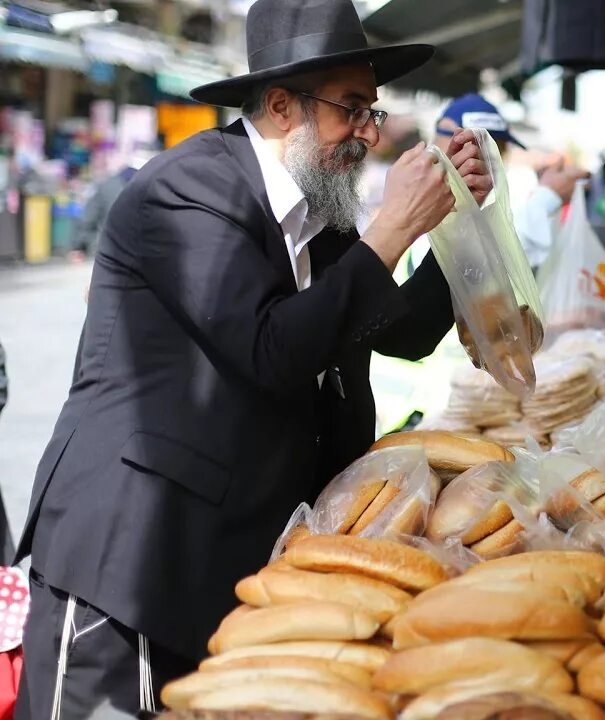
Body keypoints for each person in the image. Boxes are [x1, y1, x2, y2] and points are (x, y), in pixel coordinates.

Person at [11, 1, 494, 717]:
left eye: (372, 110)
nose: (368, 133)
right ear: (281, 106)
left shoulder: (319, 213)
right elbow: (271, 351)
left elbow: (399, 332)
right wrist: (390, 228)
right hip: (134, 563)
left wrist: (448, 223)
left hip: (228, 563)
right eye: (351, 110)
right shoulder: (190, 190)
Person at [432, 93, 587, 270]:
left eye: (499, 153)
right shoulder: (426, 208)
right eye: (481, 154)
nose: (491, 169)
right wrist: (547, 198)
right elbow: (481, 266)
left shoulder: (500, 195)